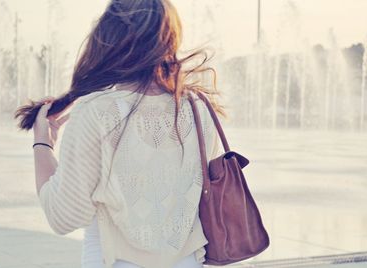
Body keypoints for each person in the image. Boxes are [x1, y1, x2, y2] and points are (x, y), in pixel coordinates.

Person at [15, 0, 226, 267]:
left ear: (109, 39)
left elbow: (65, 216)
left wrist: (42, 145)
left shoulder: (96, 112)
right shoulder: (200, 109)